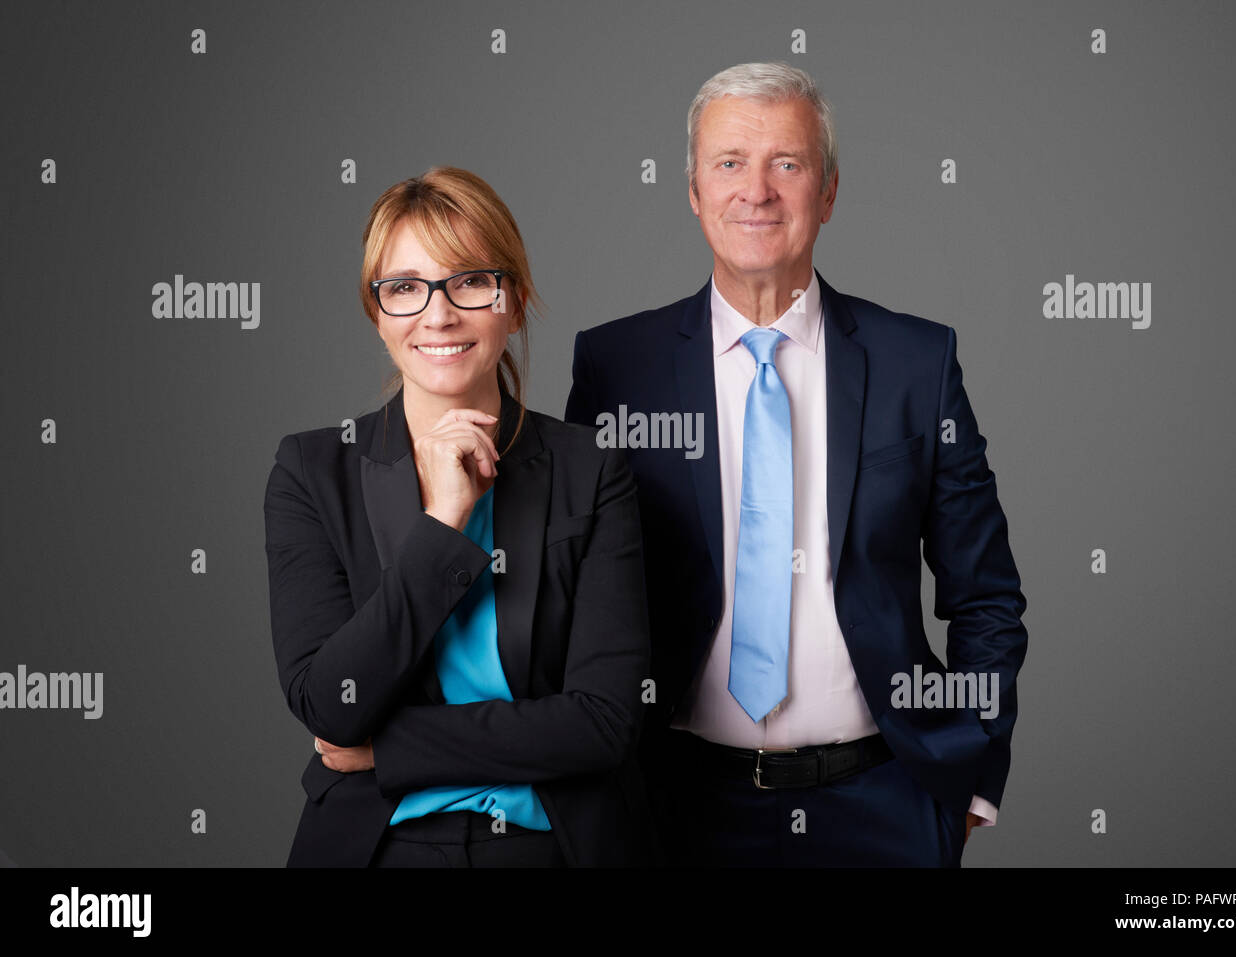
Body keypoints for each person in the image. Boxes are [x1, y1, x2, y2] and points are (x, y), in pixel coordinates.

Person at [565, 62, 1029, 866]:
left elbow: (984, 594)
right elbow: (569, 593)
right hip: (673, 805)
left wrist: (968, 776)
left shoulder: (917, 361)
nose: (758, 190)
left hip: (884, 803)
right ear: (692, 191)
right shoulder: (617, 366)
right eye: (729, 163)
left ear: (830, 189)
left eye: (787, 162)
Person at [264, 166, 654, 867]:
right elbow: (331, 706)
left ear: (516, 297)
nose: (438, 315)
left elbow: (602, 721)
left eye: (470, 281)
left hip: (551, 846)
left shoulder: (591, 469)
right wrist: (442, 523)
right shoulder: (312, 472)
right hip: (378, 849)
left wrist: (390, 748)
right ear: (376, 312)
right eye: (406, 288)